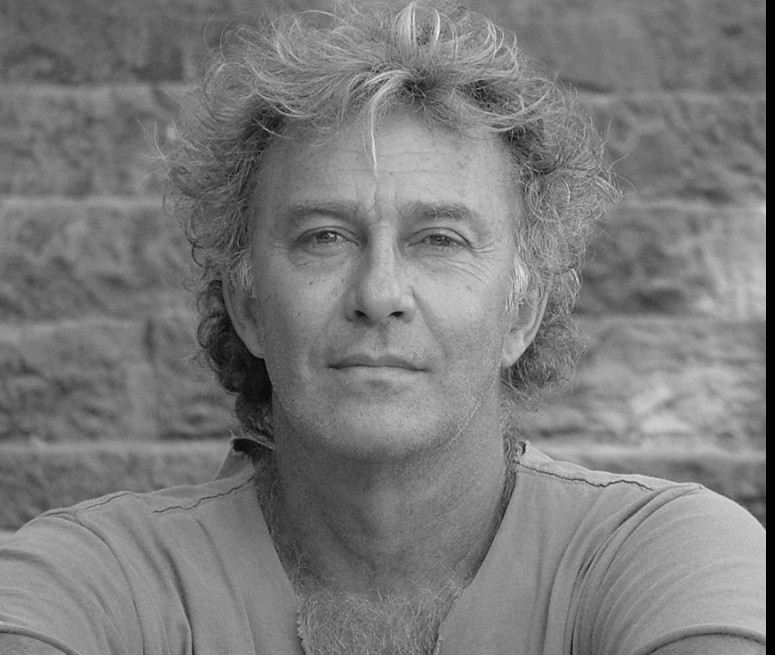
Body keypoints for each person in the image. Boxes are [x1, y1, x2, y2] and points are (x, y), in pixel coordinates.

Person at [0, 1, 765, 653]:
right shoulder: (95, 578)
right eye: (324, 236)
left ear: (521, 311)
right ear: (249, 306)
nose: (379, 292)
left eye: (439, 239)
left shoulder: (661, 555)